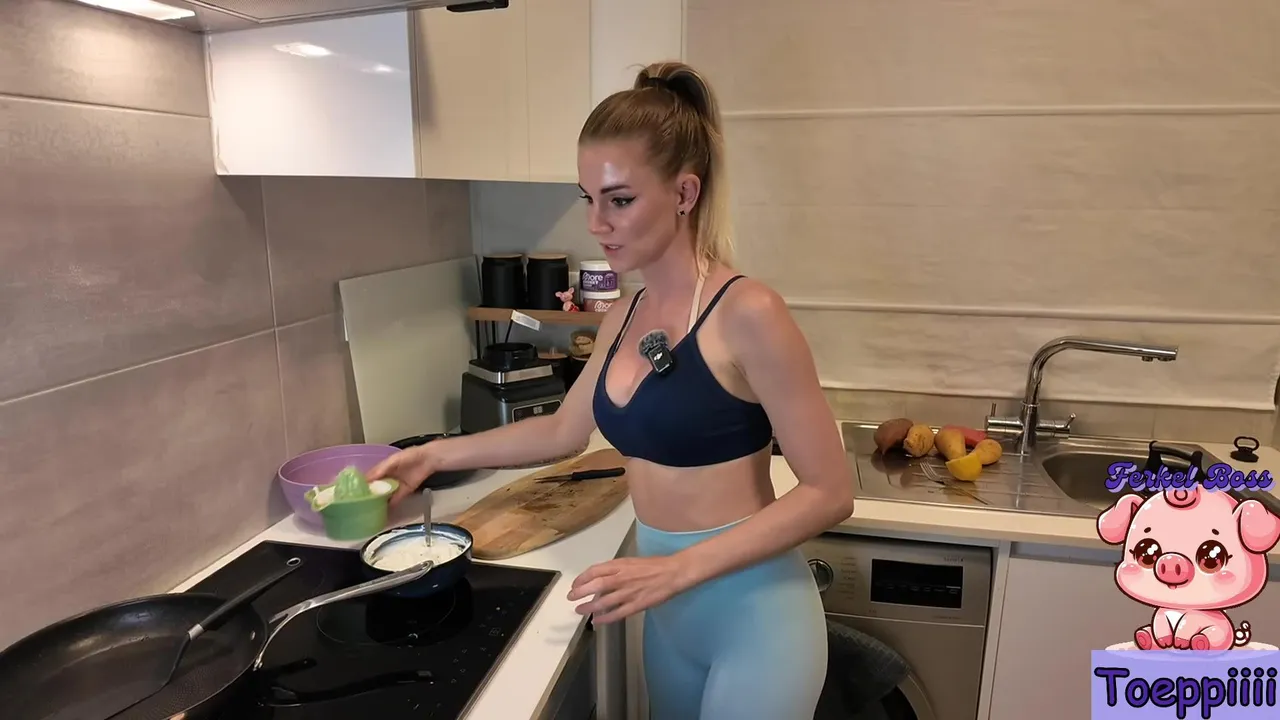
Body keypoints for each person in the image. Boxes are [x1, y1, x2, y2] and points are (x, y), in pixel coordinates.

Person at [368, 61, 855, 720]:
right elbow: (562, 431)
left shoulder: (748, 313)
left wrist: (677, 570)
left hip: (756, 620)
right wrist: (433, 455)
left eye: (619, 200)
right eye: (588, 199)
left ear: (684, 193)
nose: (596, 223)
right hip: (668, 617)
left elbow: (830, 492)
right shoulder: (623, 315)